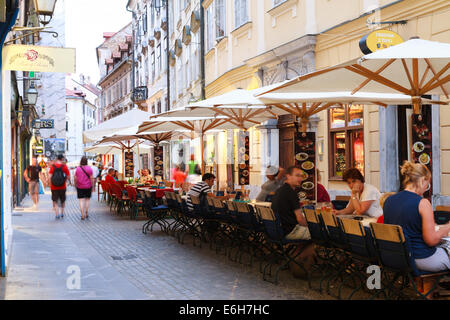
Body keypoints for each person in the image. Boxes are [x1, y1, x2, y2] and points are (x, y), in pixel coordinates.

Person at [384, 161, 450, 272]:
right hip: (421, 258)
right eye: (427, 185)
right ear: (422, 180)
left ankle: (434, 287)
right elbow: (431, 240)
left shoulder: (389, 200)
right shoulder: (422, 203)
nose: (426, 188)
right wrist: (447, 227)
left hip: (397, 257)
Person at [271, 166, 315, 277]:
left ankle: (295, 258)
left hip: (278, 230)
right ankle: (297, 261)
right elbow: (300, 219)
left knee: (308, 236)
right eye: (297, 175)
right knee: (319, 236)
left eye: (301, 176)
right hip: (290, 230)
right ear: (288, 176)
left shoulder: (279, 191)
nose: (300, 178)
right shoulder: (291, 193)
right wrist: (313, 227)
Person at [49, 154, 70, 219]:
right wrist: (69, 182)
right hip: (62, 186)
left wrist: (50, 184)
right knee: (62, 200)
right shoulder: (64, 166)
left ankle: (57, 214)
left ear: (57, 159)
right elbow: (68, 176)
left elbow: (49, 177)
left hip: (54, 187)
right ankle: (62, 213)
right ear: (62, 159)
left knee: (55, 200)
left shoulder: (53, 167)